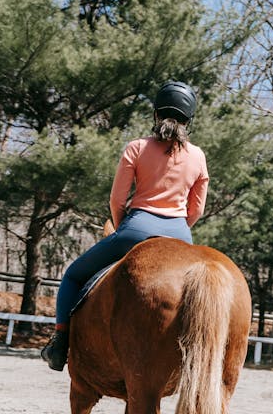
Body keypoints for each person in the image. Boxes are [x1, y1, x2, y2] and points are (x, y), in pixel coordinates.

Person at [39, 81, 209, 371]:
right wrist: (178, 226)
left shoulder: (137, 147)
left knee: (73, 275)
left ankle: (60, 342)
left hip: (137, 228)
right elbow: (198, 209)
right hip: (181, 234)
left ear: (156, 114)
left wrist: (122, 230)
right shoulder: (198, 156)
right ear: (188, 119)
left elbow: (117, 199)